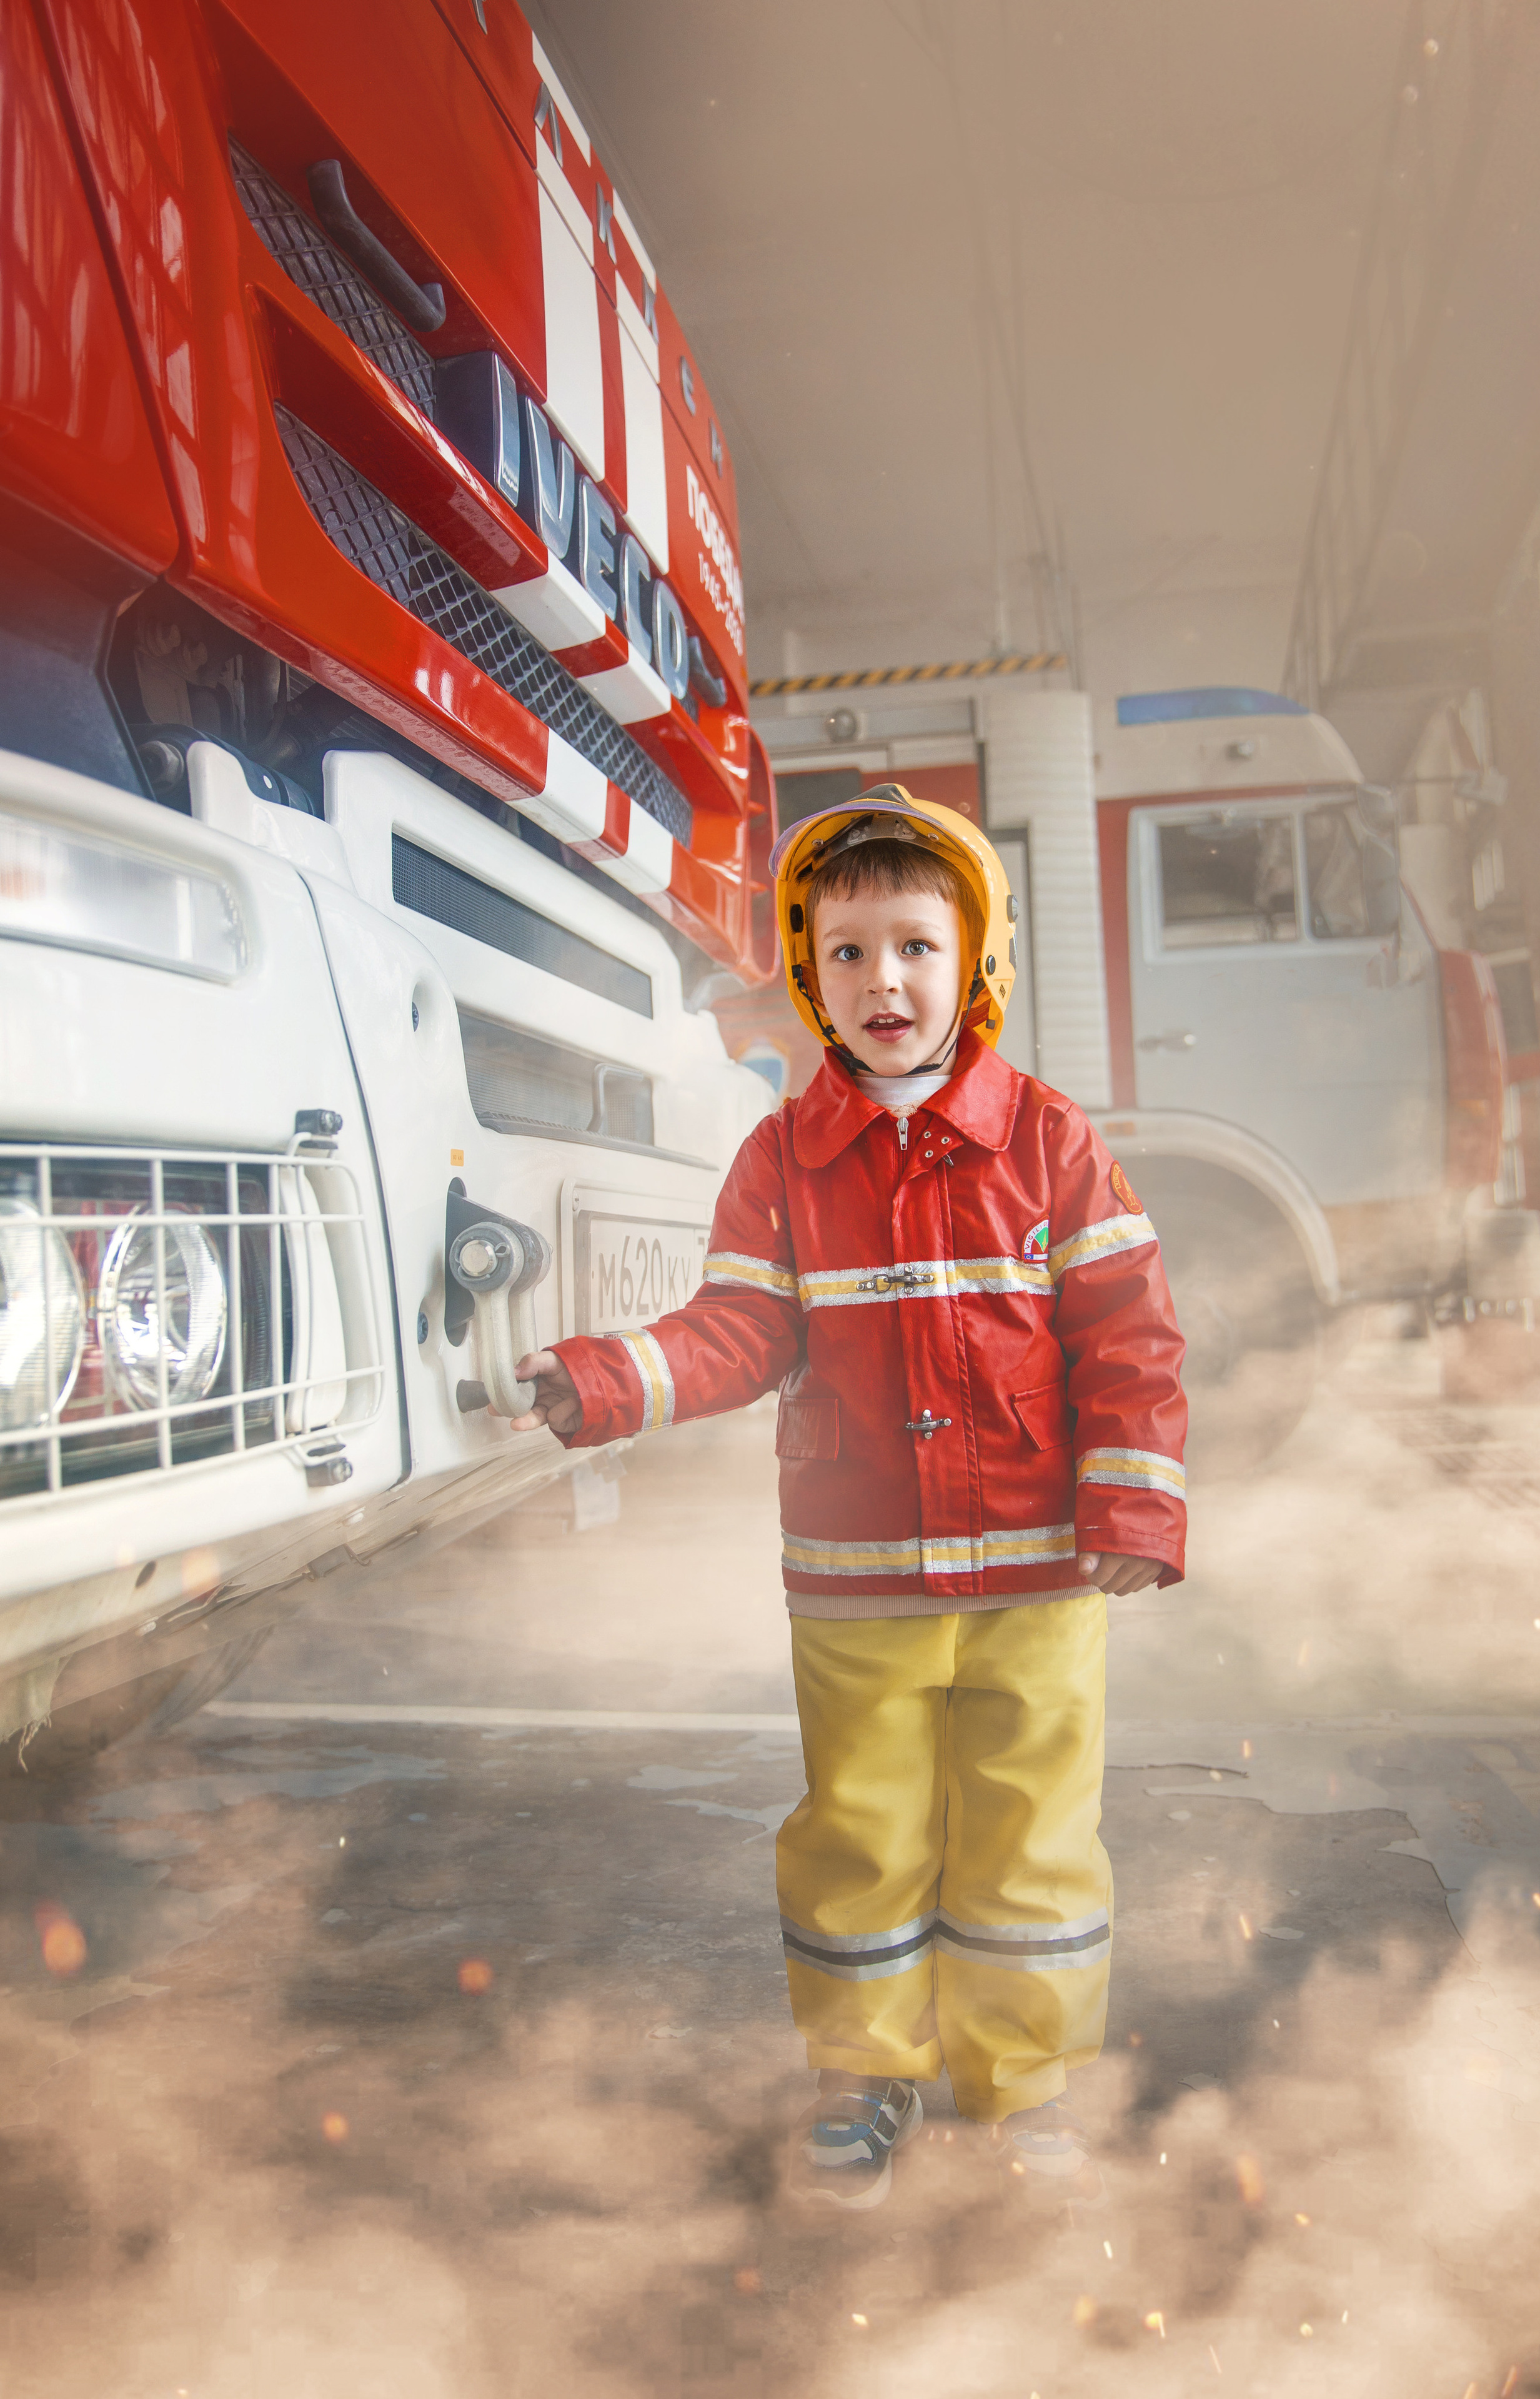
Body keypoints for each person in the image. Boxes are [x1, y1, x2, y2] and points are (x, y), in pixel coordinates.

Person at [508, 785, 1186, 2211]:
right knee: (862, 1832)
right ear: (811, 979)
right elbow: (736, 1334)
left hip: (1036, 1582)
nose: (883, 980)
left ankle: (1024, 2085)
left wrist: (1130, 1506)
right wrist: (609, 1379)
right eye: (847, 953)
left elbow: (1126, 1335)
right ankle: (863, 2075)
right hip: (857, 1581)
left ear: (974, 962)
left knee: (1028, 1836)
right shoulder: (777, 1164)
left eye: (914, 948)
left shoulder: (1052, 1144)